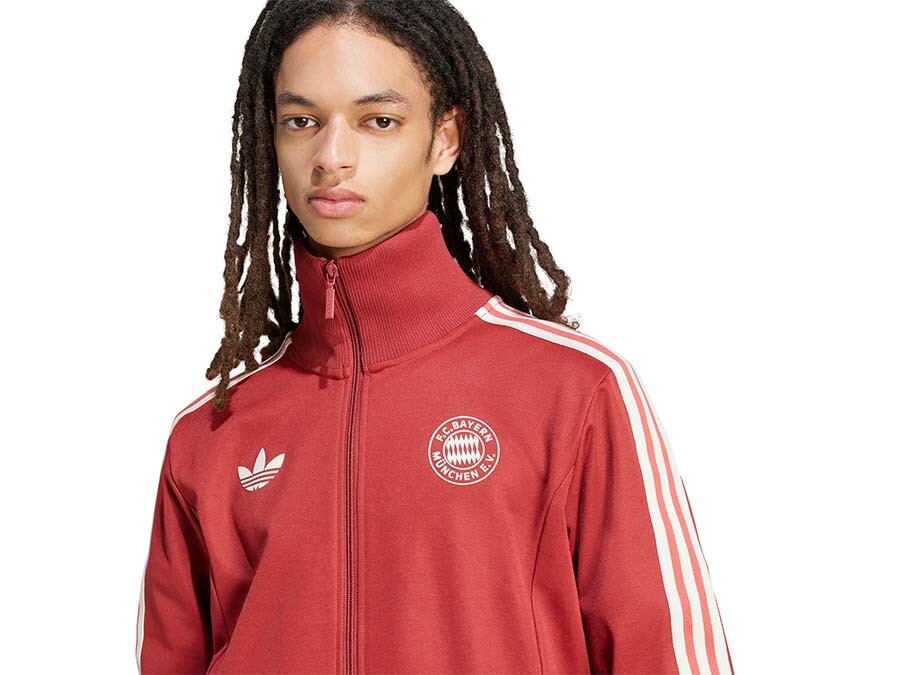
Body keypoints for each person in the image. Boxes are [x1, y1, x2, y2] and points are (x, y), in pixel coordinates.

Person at [135, 1, 734, 673]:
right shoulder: (210, 435)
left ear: (445, 139)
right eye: (302, 121)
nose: (332, 157)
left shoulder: (574, 390)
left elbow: (662, 650)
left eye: (378, 121)